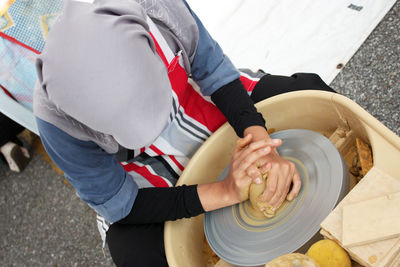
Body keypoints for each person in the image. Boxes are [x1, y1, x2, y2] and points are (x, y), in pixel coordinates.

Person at [33, 0, 336, 266]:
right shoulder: (55, 122)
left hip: (200, 101)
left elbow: (212, 68)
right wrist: (224, 191)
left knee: (309, 92)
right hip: (145, 168)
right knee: (132, 251)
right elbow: (119, 202)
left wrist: (261, 141)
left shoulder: (155, 8)